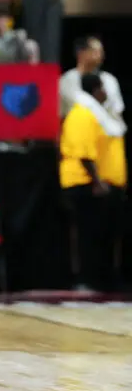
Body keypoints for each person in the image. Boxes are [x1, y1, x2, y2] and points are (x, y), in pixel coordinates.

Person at [60, 72, 127, 290]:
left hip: (99, 186)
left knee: (102, 236)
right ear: (95, 90)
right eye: (102, 87)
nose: (106, 92)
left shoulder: (99, 114)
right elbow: (84, 154)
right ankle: (85, 281)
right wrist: (97, 182)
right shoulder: (82, 112)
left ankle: (103, 281)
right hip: (84, 185)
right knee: (87, 237)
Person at [59, 36, 124, 119]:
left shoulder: (109, 79)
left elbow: (118, 110)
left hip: (106, 129)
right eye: (95, 51)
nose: (101, 55)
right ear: (81, 53)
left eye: (101, 51)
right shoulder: (66, 80)